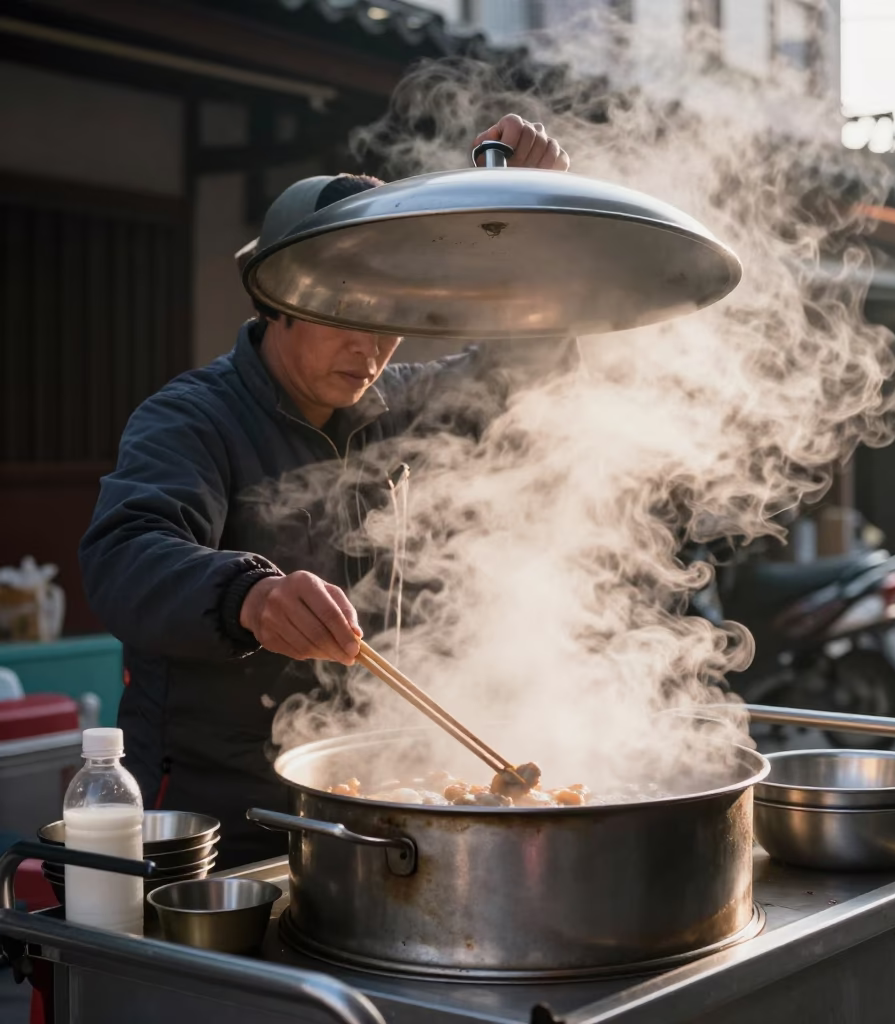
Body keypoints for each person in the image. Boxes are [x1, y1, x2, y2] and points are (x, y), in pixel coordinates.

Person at [79, 115, 574, 868]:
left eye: (385, 318)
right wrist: (248, 597)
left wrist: (540, 211)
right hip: (214, 821)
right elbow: (122, 555)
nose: (367, 346)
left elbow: (520, 375)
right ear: (275, 299)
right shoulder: (193, 417)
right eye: (340, 313)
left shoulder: (397, 408)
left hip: (362, 804)